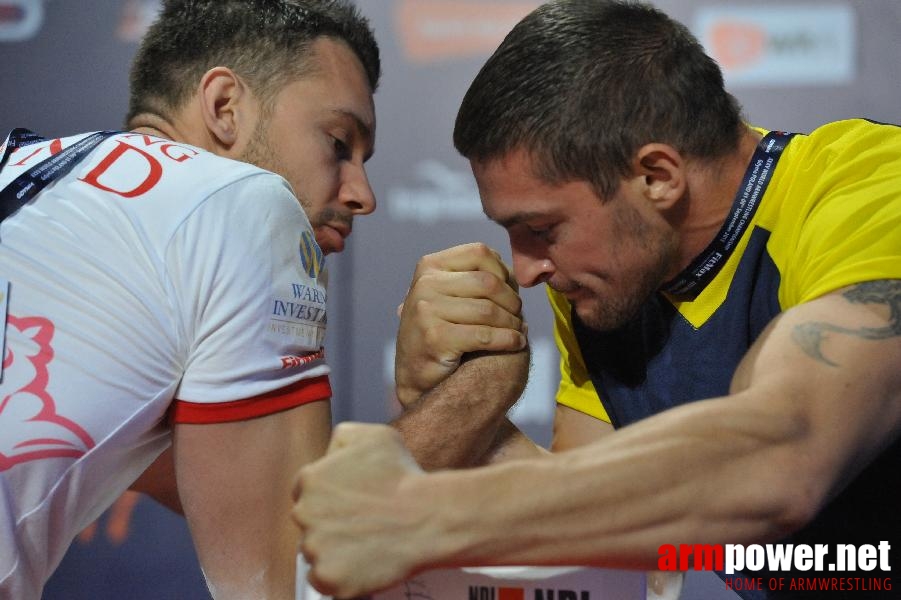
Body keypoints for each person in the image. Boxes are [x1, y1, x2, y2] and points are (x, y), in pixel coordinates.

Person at [291, 1, 901, 598]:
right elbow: (590, 526)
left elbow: (786, 456)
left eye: (542, 230)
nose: (525, 271)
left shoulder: (870, 188)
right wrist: (462, 394)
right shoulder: (608, 281)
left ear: (657, 176)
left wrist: (420, 514)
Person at [0, 1, 383, 598]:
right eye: (338, 142)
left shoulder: (27, 170)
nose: (363, 194)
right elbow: (288, 581)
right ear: (225, 107)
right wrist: (448, 399)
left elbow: (203, 475)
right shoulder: (251, 203)